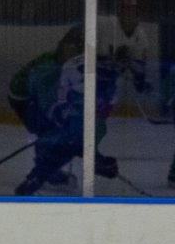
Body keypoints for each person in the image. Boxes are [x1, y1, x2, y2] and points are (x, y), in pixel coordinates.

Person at [8, 26, 116, 196]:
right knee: (54, 131)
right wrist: (90, 155)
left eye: (80, 50)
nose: (75, 53)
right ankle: (45, 172)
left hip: (41, 97)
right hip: (24, 99)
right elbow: (52, 110)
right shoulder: (47, 69)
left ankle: (44, 171)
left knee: (65, 133)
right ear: (61, 45)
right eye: (71, 47)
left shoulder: (71, 67)